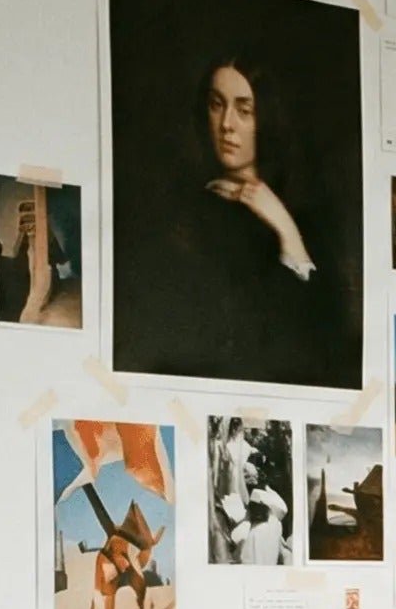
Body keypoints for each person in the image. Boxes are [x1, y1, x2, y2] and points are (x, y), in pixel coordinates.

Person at [118, 49, 353, 388]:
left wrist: (286, 230)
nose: (227, 124)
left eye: (244, 110)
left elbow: (323, 342)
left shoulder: (305, 216)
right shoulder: (189, 213)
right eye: (217, 105)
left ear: (268, 118)